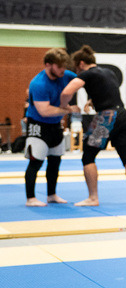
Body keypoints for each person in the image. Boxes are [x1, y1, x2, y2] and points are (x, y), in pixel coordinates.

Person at [60, 46, 126, 206]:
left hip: (106, 117)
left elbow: (66, 92)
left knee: (88, 157)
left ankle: (93, 198)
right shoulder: (108, 72)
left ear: (81, 63)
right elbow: (108, 91)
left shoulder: (87, 74)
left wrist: (65, 107)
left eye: (77, 68)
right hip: (122, 114)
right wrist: (92, 101)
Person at [24, 48, 78, 207]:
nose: (63, 70)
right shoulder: (38, 83)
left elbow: (84, 80)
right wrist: (68, 109)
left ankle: (51, 194)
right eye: (59, 66)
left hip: (55, 126)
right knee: (35, 163)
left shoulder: (65, 75)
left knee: (55, 162)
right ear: (48, 65)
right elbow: (45, 111)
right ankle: (30, 198)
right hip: (38, 125)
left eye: (64, 66)